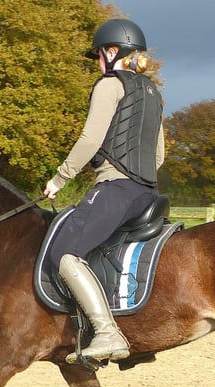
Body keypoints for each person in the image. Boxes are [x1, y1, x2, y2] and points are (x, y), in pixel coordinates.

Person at [43, 18, 165, 365]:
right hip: (149, 193)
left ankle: (107, 331)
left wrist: (59, 179)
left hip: (117, 189)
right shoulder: (154, 94)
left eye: (99, 55)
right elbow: (159, 156)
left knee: (65, 254)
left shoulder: (110, 84)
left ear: (113, 52)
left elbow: (90, 140)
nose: (98, 62)